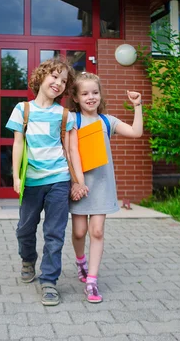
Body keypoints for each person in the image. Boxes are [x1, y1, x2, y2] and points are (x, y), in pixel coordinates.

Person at [5, 58, 86, 306]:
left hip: (58, 179)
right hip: (31, 180)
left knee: (54, 233)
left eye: (63, 81)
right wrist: (16, 176)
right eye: (54, 76)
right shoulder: (22, 110)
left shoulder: (64, 115)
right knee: (25, 228)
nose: (58, 83)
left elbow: (72, 151)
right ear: (41, 77)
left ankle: (49, 281)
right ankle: (28, 259)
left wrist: (77, 182)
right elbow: (18, 143)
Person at [68, 72, 143, 303]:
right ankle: (81, 261)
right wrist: (75, 182)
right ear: (76, 98)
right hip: (79, 186)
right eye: (85, 93)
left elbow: (136, 132)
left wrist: (138, 106)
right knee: (79, 231)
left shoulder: (107, 121)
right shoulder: (72, 120)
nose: (91, 97)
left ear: (100, 95)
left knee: (97, 231)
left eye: (95, 92)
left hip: (102, 186)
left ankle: (92, 280)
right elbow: (69, 153)